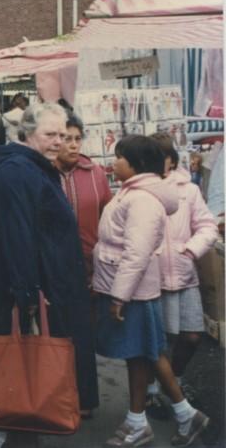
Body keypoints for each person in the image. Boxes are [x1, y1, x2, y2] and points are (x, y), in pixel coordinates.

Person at [0, 103, 98, 448]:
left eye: (62, 134)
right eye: (50, 134)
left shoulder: (34, 167)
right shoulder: (18, 171)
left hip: (45, 284)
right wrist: (27, 295)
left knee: (34, 373)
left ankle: (26, 431)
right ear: (28, 133)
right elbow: (18, 236)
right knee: (27, 368)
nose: (58, 141)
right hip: (33, 290)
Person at [93, 135, 209, 448]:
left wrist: (119, 296)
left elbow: (137, 252)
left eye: (119, 157)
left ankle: (163, 418)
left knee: (146, 353)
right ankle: (160, 418)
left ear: (137, 164)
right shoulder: (133, 192)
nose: (113, 162)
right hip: (132, 289)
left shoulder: (141, 199)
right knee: (144, 354)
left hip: (133, 292)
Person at [144, 133, 219, 420]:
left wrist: (189, 250)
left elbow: (207, 227)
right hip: (152, 277)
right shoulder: (139, 190)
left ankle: (170, 382)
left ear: (172, 160)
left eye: (159, 156)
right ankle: (153, 390)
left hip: (185, 275)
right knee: (156, 340)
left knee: (191, 336)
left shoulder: (188, 190)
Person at [55, 114, 113, 281]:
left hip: (92, 264)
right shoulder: (43, 174)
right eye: (67, 139)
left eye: (78, 139)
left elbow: (108, 216)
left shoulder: (96, 174)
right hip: (55, 266)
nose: (74, 145)